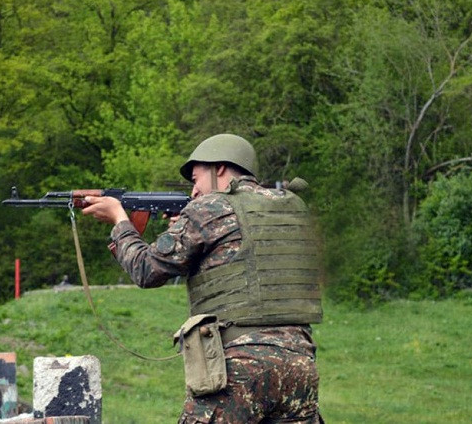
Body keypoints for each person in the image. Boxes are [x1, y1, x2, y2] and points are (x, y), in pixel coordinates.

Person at [82, 134, 324, 423]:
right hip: (300, 365)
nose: (194, 191)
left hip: (240, 367)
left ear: (219, 168)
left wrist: (120, 221)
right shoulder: (291, 207)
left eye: (196, 180)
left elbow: (145, 270)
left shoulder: (208, 208)